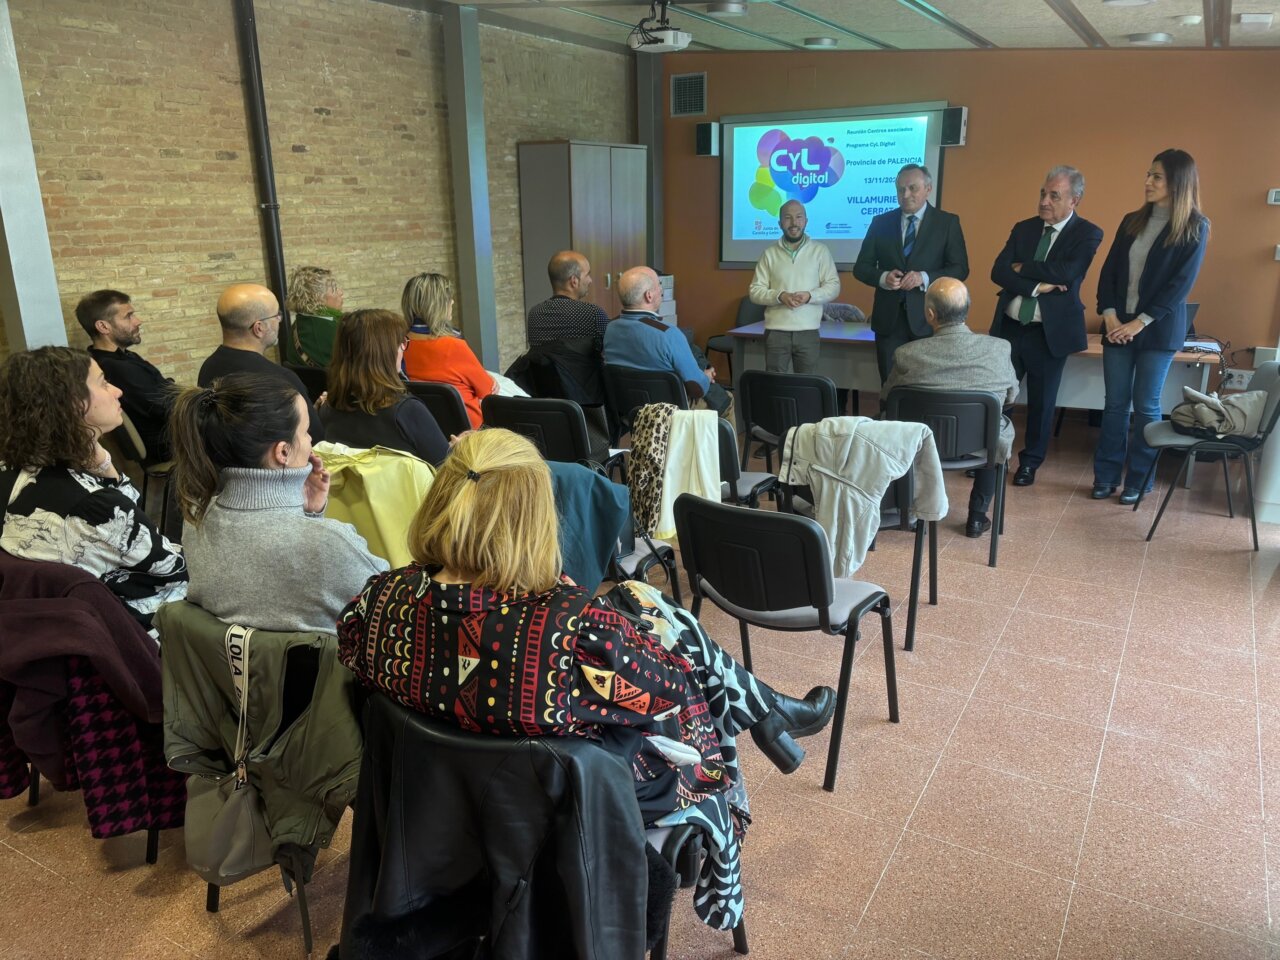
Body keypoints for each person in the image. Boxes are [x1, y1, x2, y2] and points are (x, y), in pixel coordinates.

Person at [337, 429, 835, 930]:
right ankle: (763, 717)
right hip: (563, 819)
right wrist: (585, 606)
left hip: (430, 816)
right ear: (534, 521)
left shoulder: (378, 602)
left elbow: (359, 660)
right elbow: (674, 692)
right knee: (671, 635)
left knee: (643, 603)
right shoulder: (578, 632)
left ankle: (766, 710)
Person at [170, 372, 388, 633]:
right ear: (283, 451)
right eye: (306, 432)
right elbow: (393, 608)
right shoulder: (330, 544)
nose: (310, 442)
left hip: (235, 670)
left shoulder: (196, 520)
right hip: (327, 673)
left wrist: (308, 514)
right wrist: (313, 527)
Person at [0, 347, 187, 627]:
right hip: (139, 630)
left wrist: (104, 466)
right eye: (103, 382)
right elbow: (175, 569)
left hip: (67, 627)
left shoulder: (12, 474)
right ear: (74, 404)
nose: (117, 391)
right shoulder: (95, 506)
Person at [1092, 148, 1210, 504]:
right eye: (1148, 175)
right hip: (1117, 327)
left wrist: (1138, 323)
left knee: (1145, 405)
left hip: (1156, 332)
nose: (1148, 182)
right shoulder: (1132, 220)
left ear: (1178, 182)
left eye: (1156, 176)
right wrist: (1110, 315)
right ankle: (1106, 476)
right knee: (1114, 405)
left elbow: (1180, 285)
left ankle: (1139, 481)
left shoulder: (1195, 227)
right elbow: (1110, 271)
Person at [990, 166, 1104, 487]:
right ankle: (993, 456)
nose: (1044, 201)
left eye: (1054, 195)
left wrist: (1022, 268)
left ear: (1074, 200)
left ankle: (1030, 463)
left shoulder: (1088, 233)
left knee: (1041, 402)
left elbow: (1068, 272)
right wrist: (1039, 285)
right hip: (1010, 328)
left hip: (1048, 334)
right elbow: (998, 271)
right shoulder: (1024, 228)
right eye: (1043, 193)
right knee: (999, 397)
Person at [882, 279, 1019, 538]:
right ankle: (977, 517)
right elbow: (1012, 395)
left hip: (921, 444)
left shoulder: (907, 353)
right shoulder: (999, 349)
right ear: (967, 308)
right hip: (979, 445)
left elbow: (887, 396)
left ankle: (910, 513)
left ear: (930, 314)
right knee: (994, 426)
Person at [852, 163, 969, 383]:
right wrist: (883, 278)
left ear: (928, 189)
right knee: (889, 385)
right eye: (900, 189)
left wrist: (923, 278)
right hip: (889, 321)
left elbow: (960, 269)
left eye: (912, 188)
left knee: (926, 384)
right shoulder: (881, 222)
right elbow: (861, 267)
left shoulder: (947, 223)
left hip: (930, 320)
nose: (905, 195)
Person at [197, 282, 325, 441]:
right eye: (276, 315)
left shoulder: (208, 367)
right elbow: (315, 438)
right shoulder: (281, 379)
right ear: (259, 328)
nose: (279, 320)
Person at [320, 309, 449, 465]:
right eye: (400, 342)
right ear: (383, 352)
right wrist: (460, 449)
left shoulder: (328, 410)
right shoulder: (407, 412)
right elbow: (447, 472)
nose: (403, 348)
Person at [603, 266, 733, 419]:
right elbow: (697, 389)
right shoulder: (669, 334)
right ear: (649, 296)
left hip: (629, 410)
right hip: (670, 414)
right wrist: (705, 376)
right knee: (727, 400)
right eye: (659, 285)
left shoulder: (609, 329)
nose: (662, 290)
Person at [76, 289, 177, 460]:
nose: (138, 321)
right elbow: (168, 408)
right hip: (169, 444)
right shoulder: (116, 367)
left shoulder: (120, 358)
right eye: (128, 316)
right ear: (103, 326)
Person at [747, 200, 841, 373]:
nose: (793, 222)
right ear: (780, 223)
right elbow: (755, 291)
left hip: (808, 333)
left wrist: (810, 296)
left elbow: (833, 286)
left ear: (806, 221)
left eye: (798, 217)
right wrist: (780, 296)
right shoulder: (769, 254)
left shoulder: (820, 251)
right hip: (776, 333)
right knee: (775, 386)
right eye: (787, 218)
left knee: (806, 387)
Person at [400, 272, 494, 431]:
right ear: (437, 306)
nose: (452, 301)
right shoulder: (454, 346)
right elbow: (488, 390)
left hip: (426, 427)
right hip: (469, 431)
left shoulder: (399, 345)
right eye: (448, 298)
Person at [525, 250, 610, 347]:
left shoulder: (534, 314)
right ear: (574, 281)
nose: (590, 280)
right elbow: (608, 351)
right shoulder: (594, 314)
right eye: (587, 275)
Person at [283, 265, 344, 367]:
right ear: (317, 297)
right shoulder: (332, 329)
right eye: (334, 288)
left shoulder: (300, 322)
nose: (341, 292)